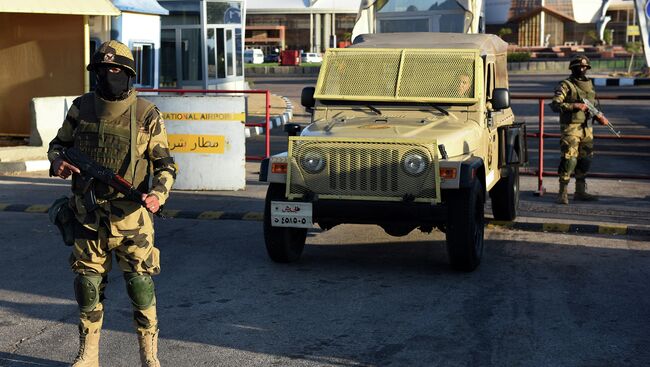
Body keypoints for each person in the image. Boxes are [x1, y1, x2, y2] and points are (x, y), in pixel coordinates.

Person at [47, 40, 177, 367]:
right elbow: (58, 146)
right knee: (87, 287)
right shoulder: (81, 108)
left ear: (129, 74)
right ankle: (88, 356)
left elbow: (165, 165)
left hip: (132, 221)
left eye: (115, 69)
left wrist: (156, 195)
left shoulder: (147, 114)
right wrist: (57, 163)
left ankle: (150, 358)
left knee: (140, 287)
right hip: (88, 217)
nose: (109, 74)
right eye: (102, 70)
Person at [551, 55, 609, 204]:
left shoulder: (590, 85)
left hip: (587, 127)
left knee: (585, 159)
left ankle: (580, 191)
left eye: (585, 67)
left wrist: (600, 116)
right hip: (571, 127)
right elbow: (555, 104)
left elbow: (593, 106)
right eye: (579, 67)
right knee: (569, 159)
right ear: (573, 68)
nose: (582, 69)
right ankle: (562, 193)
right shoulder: (565, 85)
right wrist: (574, 106)